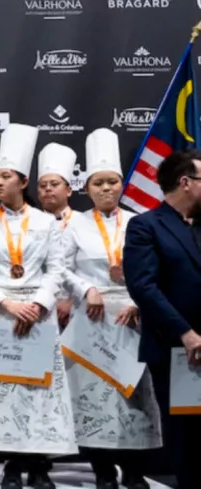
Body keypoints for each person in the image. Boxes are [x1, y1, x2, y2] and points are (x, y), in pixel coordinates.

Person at [0, 123, 76, 489]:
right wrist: (6, 303)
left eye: (5, 177)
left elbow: (56, 268)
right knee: (1, 390)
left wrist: (39, 304)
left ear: (23, 181)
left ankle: (38, 464)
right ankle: (10, 465)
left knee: (36, 389)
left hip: (38, 315)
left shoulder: (46, 222)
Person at [62, 128, 161, 489]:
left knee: (132, 396)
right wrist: (86, 288)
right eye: (98, 183)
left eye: (112, 182)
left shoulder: (141, 221)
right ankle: (102, 472)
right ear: (87, 188)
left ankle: (134, 472)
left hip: (133, 319)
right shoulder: (73, 225)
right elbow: (61, 269)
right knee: (92, 399)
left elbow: (156, 270)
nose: (106, 189)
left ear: (122, 184)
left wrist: (139, 301)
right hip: (91, 318)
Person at [124, 148, 201, 489]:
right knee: (188, 436)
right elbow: (144, 287)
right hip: (178, 350)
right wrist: (185, 333)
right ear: (186, 182)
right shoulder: (145, 226)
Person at [36, 142, 77, 329]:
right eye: (43, 185)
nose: (48, 189)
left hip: (79, 309)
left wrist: (71, 301)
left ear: (68, 189)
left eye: (54, 184)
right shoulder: (30, 224)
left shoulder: (83, 222)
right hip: (39, 309)